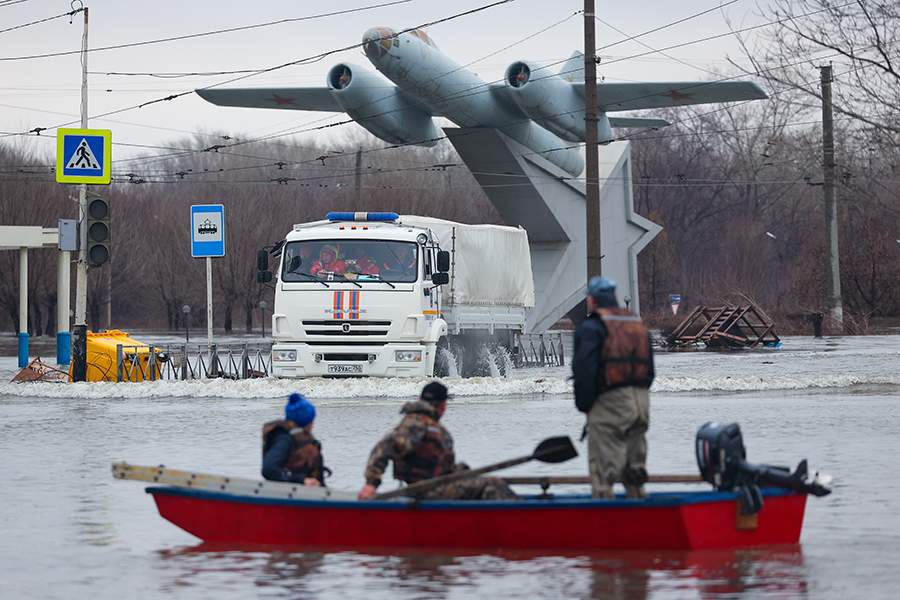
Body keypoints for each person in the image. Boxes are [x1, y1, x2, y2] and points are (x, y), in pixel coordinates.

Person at [357, 382, 516, 500]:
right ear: (441, 405)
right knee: (493, 484)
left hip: (436, 485)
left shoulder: (426, 423)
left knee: (474, 477)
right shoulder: (417, 423)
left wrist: (461, 471)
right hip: (426, 491)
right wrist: (371, 484)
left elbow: (441, 466)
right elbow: (385, 447)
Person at [572, 276, 655, 499]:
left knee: (603, 472)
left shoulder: (592, 327)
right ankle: (641, 516)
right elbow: (650, 372)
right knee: (635, 470)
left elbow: (584, 370)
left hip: (610, 403)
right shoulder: (638, 326)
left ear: (592, 300)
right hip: (641, 403)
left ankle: (604, 519)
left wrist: (585, 404)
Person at [262, 393, 328, 486]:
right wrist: (302, 481)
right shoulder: (284, 439)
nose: (313, 424)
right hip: (288, 494)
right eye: (311, 420)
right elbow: (269, 469)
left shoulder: (301, 438)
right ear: (304, 421)